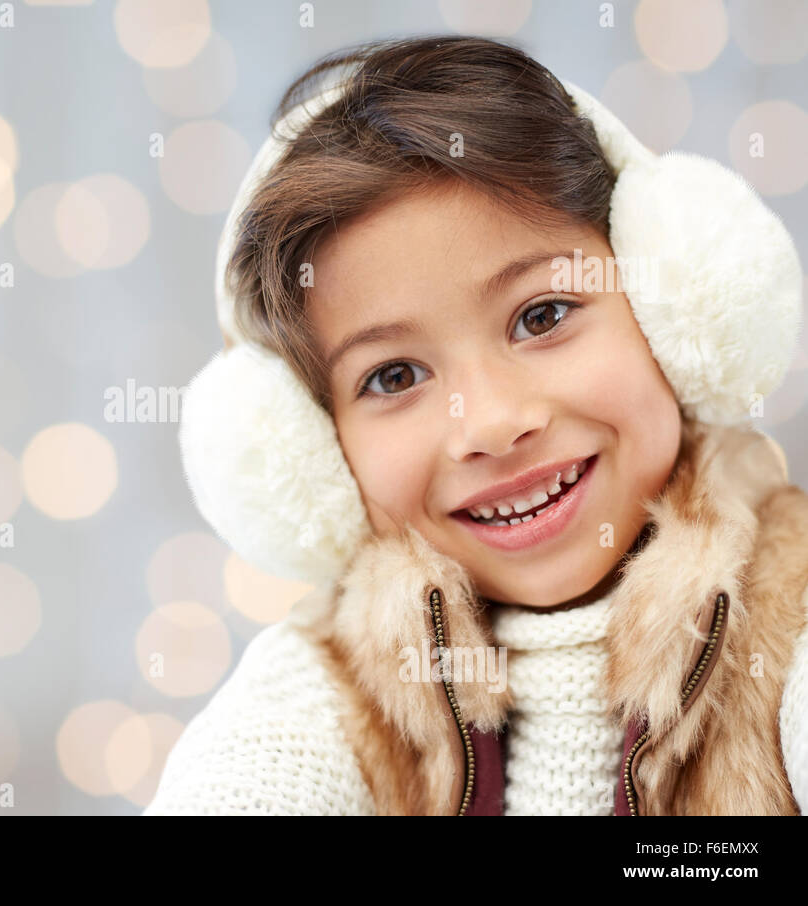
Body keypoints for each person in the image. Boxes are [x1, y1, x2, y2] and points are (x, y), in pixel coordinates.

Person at [145, 35, 808, 815]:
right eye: (394, 377)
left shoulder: (788, 618)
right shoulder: (320, 695)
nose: (490, 424)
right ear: (318, 449)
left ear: (667, 303)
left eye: (543, 314)